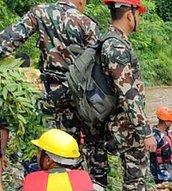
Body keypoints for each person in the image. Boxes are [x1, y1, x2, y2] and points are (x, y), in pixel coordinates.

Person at [82, 0, 169, 191]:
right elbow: (128, 94)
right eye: (138, 13)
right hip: (124, 122)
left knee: (125, 167)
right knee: (135, 168)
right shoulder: (116, 47)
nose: (138, 18)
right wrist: (146, 132)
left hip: (113, 120)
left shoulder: (108, 40)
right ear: (129, 15)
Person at [0, 0, 99, 137]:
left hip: (45, 95)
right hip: (75, 98)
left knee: (45, 141)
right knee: (69, 145)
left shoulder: (40, 12)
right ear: (81, 1)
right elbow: (97, 67)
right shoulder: (88, 24)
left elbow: (8, 40)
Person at [150, 106, 172, 183]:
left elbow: (170, 145)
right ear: (166, 122)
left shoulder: (167, 132)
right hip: (160, 172)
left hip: (170, 167)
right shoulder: (155, 137)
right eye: (171, 121)